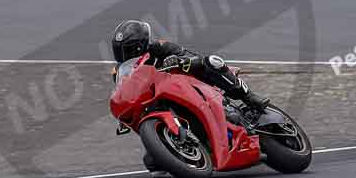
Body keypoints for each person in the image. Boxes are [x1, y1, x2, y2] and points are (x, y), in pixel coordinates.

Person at [111, 20, 270, 111]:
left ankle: (248, 96)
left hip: (187, 82)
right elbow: (125, 92)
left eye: (127, 49)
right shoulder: (119, 71)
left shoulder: (159, 47)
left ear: (141, 44)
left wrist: (179, 61)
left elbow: (189, 55)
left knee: (211, 61)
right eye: (119, 49)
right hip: (159, 98)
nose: (123, 54)